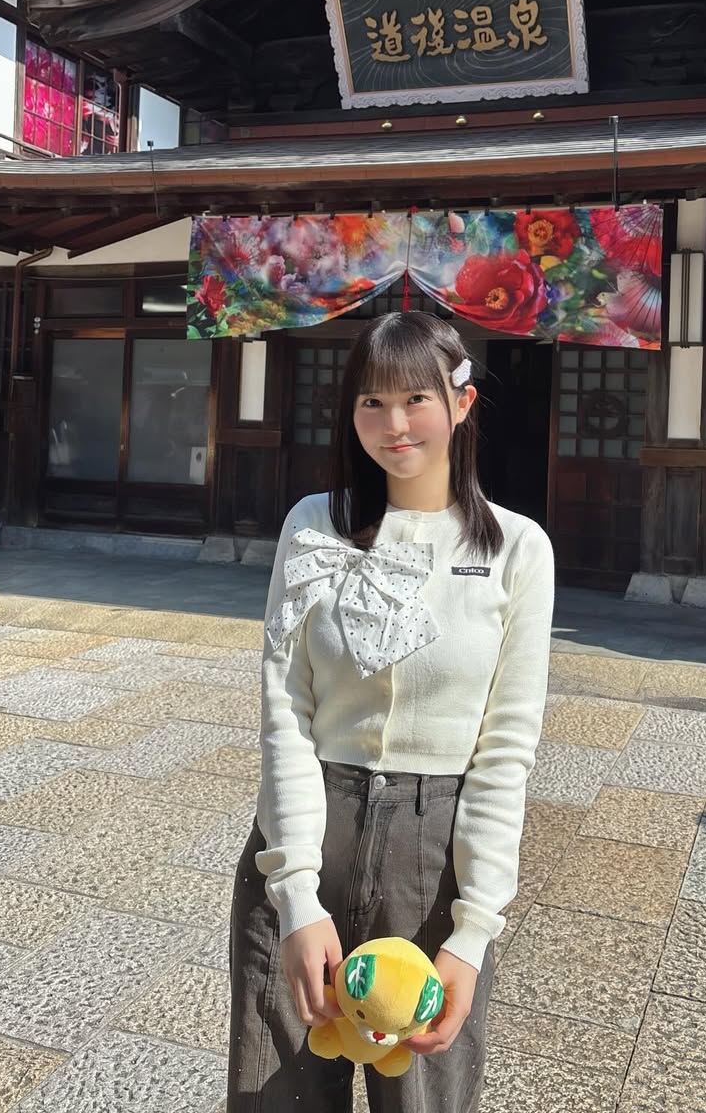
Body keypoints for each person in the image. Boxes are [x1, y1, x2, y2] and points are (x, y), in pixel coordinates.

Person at [228, 311, 555, 1112]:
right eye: (371, 402)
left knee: (424, 1098)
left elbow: (505, 749)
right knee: (280, 1095)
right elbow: (285, 711)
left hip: (433, 859)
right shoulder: (314, 526)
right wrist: (295, 896)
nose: (394, 423)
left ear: (463, 403)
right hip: (310, 832)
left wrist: (472, 932)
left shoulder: (516, 549)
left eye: (416, 398)